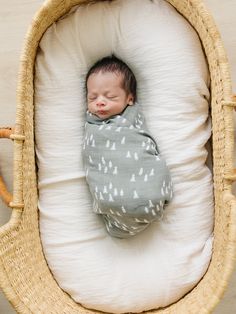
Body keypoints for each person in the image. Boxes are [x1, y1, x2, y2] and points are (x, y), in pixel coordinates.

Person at [82, 55, 173, 238]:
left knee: (152, 185)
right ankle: (118, 208)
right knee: (110, 199)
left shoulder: (133, 118)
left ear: (130, 99)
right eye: (93, 97)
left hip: (146, 188)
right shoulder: (93, 125)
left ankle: (148, 199)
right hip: (109, 198)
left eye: (110, 96)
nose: (100, 101)